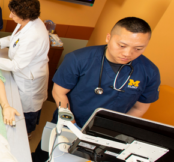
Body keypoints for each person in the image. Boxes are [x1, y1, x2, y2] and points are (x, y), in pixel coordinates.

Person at [32, 17, 161, 162]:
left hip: (108, 136)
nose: (128, 53)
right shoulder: (78, 59)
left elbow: (139, 108)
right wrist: (72, 124)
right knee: (48, 157)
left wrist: (117, 131)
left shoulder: (149, 72)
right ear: (108, 38)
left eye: (138, 49)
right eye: (122, 45)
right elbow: (59, 92)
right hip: (69, 125)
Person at [0, 0, 50, 137]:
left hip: (29, 77)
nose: (10, 15)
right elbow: (16, 40)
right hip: (24, 69)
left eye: (13, 13)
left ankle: (28, 132)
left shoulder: (34, 34)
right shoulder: (27, 22)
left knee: (29, 108)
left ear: (25, 15)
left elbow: (17, 64)